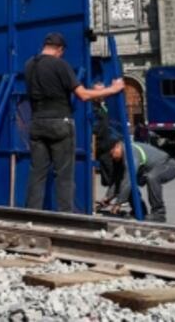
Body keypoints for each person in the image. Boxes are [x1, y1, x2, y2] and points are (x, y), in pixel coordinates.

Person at [24, 32, 125, 212]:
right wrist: (113, 89)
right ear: (60, 50)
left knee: (37, 174)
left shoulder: (29, 65)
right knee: (63, 175)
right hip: (60, 123)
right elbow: (83, 95)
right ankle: (65, 219)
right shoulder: (60, 65)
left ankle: (32, 217)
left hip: (37, 122)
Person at [99, 139, 175, 222]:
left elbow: (129, 180)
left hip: (169, 166)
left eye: (112, 154)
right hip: (152, 169)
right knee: (127, 182)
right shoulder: (121, 157)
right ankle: (140, 210)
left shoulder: (130, 152)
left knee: (151, 177)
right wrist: (107, 197)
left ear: (117, 146)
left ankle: (159, 213)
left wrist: (118, 203)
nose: (112, 157)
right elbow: (117, 181)